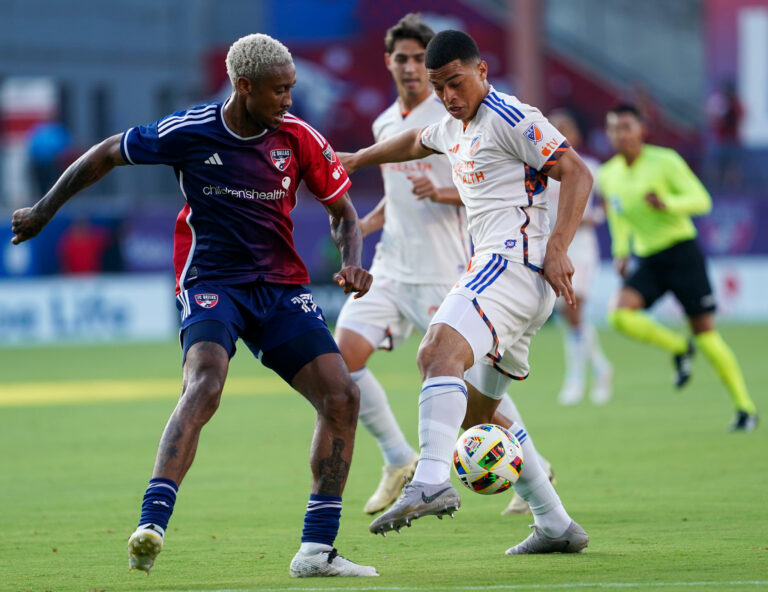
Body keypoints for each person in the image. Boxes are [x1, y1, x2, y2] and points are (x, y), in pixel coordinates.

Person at [11, 33, 379, 578]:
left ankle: (317, 551)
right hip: (213, 280)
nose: (289, 101)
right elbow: (107, 153)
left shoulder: (299, 138)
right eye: (279, 91)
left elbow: (344, 213)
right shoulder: (189, 131)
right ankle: (152, 524)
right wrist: (44, 210)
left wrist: (352, 259)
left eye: (292, 89)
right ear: (243, 85)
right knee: (206, 381)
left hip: (280, 286)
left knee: (342, 396)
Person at [340, 30, 592, 555]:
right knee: (476, 417)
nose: (449, 96)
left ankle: (428, 481)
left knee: (436, 353)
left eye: (456, 82)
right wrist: (358, 159)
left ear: (481, 72)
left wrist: (558, 246)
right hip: (513, 279)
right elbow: (414, 141)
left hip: (512, 265)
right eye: (440, 87)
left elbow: (575, 171)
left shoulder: (508, 115)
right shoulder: (457, 125)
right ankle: (554, 524)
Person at [599, 103, 758, 432]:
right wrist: (621, 251)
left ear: (642, 129)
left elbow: (702, 200)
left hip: (682, 254)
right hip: (650, 259)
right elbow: (618, 215)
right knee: (618, 314)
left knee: (707, 335)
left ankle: (745, 408)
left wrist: (667, 204)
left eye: (627, 126)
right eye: (614, 128)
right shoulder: (609, 174)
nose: (620, 134)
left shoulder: (665, 162)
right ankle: (679, 348)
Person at [544, 110, 613, 406]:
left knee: (573, 309)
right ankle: (600, 368)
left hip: (581, 247)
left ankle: (578, 377)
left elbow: (609, 199)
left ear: (576, 134)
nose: (560, 131)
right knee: (566, 314)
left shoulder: (591, 167)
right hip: (553, 246)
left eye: (565, 127)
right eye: (555, 127)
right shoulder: (541, 168)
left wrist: (594, 217)